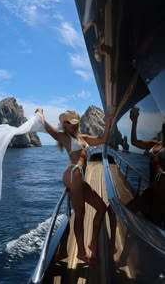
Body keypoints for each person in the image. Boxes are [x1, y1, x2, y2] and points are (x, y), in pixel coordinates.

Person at [35, 108, 112, 263]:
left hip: (79, 179)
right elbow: (47, 127)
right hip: (74, 176)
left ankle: (93, 242)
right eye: (69, 124)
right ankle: (81, 252)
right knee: (80, 215)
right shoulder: (64, 137)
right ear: (64, 125)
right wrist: (41, 113)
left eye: (74, 123)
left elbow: (103, 139)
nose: (73, 126)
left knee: (102, 207)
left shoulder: (82, 138)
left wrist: (109, 119)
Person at [127, 107, 165, 227]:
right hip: (151, 190)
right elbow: (134, 142)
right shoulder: (155, 144)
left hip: (162, 194)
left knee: (155, 224)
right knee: (129, 210)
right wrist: (134, 122)